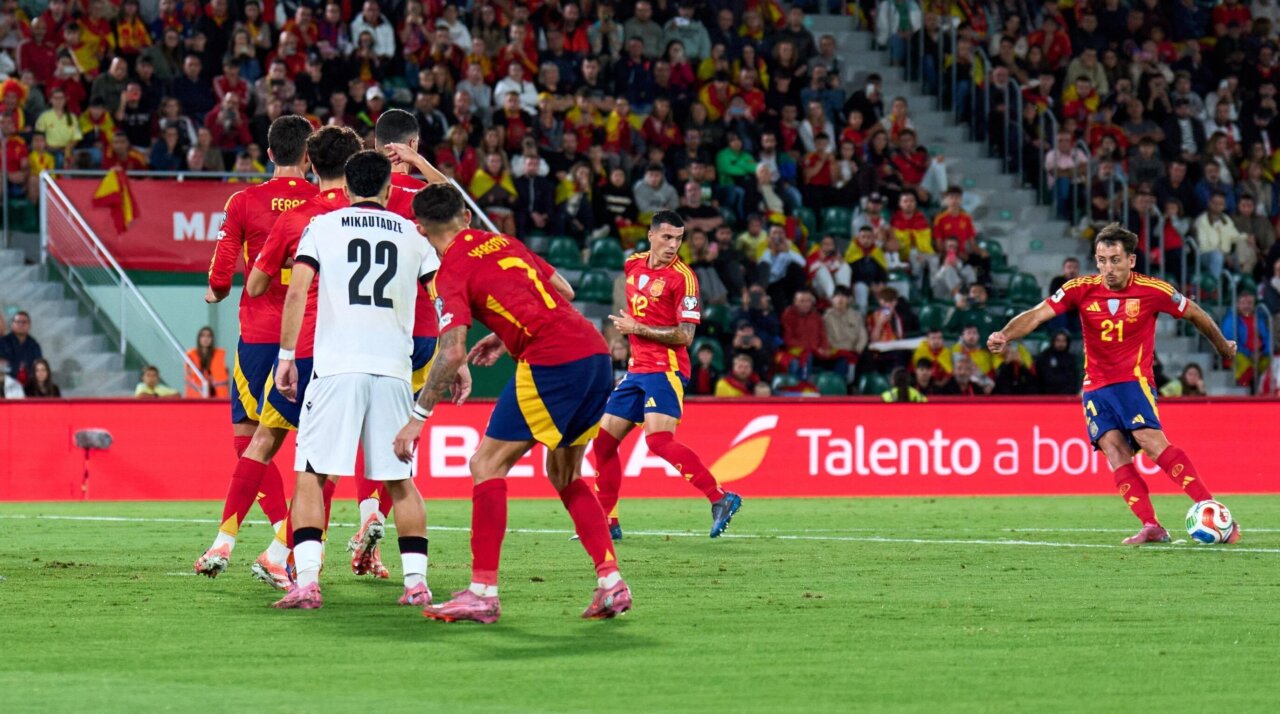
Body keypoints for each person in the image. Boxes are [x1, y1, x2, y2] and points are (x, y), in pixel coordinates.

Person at [395, 184, 631, 624]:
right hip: (595, 352)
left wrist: (416, 419)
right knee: (564, 473)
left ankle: (482, 591)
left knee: (486, 465)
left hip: (552, 360)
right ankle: (611, 582)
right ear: (465, 216)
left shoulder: (451, 270)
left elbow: (449, 353)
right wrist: (506, 332)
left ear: (421, 229)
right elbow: (562, 288)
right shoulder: (503, 241)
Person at [989, 223, 1240, 545]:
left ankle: (1216, 512)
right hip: (1095, 385)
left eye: (1115, 260)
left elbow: (1194, 313)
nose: (1108, 268)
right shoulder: (1079, 288)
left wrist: (1221, 346)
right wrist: (1005, 334)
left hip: (1133, 381)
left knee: (1148, 440)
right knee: (1114, 450)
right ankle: (1152, 526)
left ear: (1131, 261)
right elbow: (1037, 315)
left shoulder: (1153, 290)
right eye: (1102, 260)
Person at [270, 151, 440, 610]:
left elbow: (298, 289)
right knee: (401, 481)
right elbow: (441, 298)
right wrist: (454, 357)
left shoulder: (322, 227)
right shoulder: (414, 235)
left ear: (345, 189)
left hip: (336, 367)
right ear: (388, 190)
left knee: (311, 475)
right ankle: (417, 584)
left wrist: (286, 356)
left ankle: (306, 582)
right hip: (393, 371)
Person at [195, 115, 316, 579]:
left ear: (269, 154)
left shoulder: (244, 201)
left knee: (249, 441)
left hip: (261, 339)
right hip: (311, 338)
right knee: (316, 452)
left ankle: (233, 540)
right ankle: (285, 542)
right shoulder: (326, 203)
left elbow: (223, 268)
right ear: (308, 156)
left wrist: (217, 289)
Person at [593, 211, 742, 540]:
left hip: (666, 368)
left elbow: (686, 336)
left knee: (658, 440)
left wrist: (636, 328)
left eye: (679, 238)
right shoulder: (633, 264)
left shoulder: (684, 278)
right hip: (637, 370)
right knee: (603, 443)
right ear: (650, 236)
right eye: (667, 237)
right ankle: (607, 520)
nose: (673, 245)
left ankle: (721, 498)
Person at [1220, 292, 1272, 391]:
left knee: (1271, 362)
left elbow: (1267, 338)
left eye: (1249, 303)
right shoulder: (1231, 319)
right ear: (1237, 305)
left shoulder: (1259, 319)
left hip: (1260, 355)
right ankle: (1247, 389)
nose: (1246, 306)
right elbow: (1230, 341)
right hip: (1240, 354)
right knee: (1244, 363)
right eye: (1243, 303)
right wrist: (1249, 354)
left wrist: (1263, 352)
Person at [185, 326, 228, 398]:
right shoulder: (191, 356)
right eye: (203, 336)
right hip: (196, 398)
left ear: (212, 339)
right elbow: (189, 377)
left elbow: (225, 380)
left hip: (218, 398)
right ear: (199, 339)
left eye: (208, 336)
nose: (206, 339)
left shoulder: (220, 355)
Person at [0, 311, 41, 383]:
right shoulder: (2, 342)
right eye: (18, 322)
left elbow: (38, 367)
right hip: (5, 384)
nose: (21, 324)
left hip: (29, 385)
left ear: (29, 325)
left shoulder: (34, 345)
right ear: (12, 325)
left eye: (24, 322)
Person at [1034, 331, 1080, 395]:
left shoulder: (1071, 358)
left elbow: (1074, 379)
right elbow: (1044, 378)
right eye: (1058, 340)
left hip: (1067, 396)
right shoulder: (1045, 357)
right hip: (1048, 395)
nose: (1061, 343)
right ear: (1053, 341)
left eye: (1064, 341)